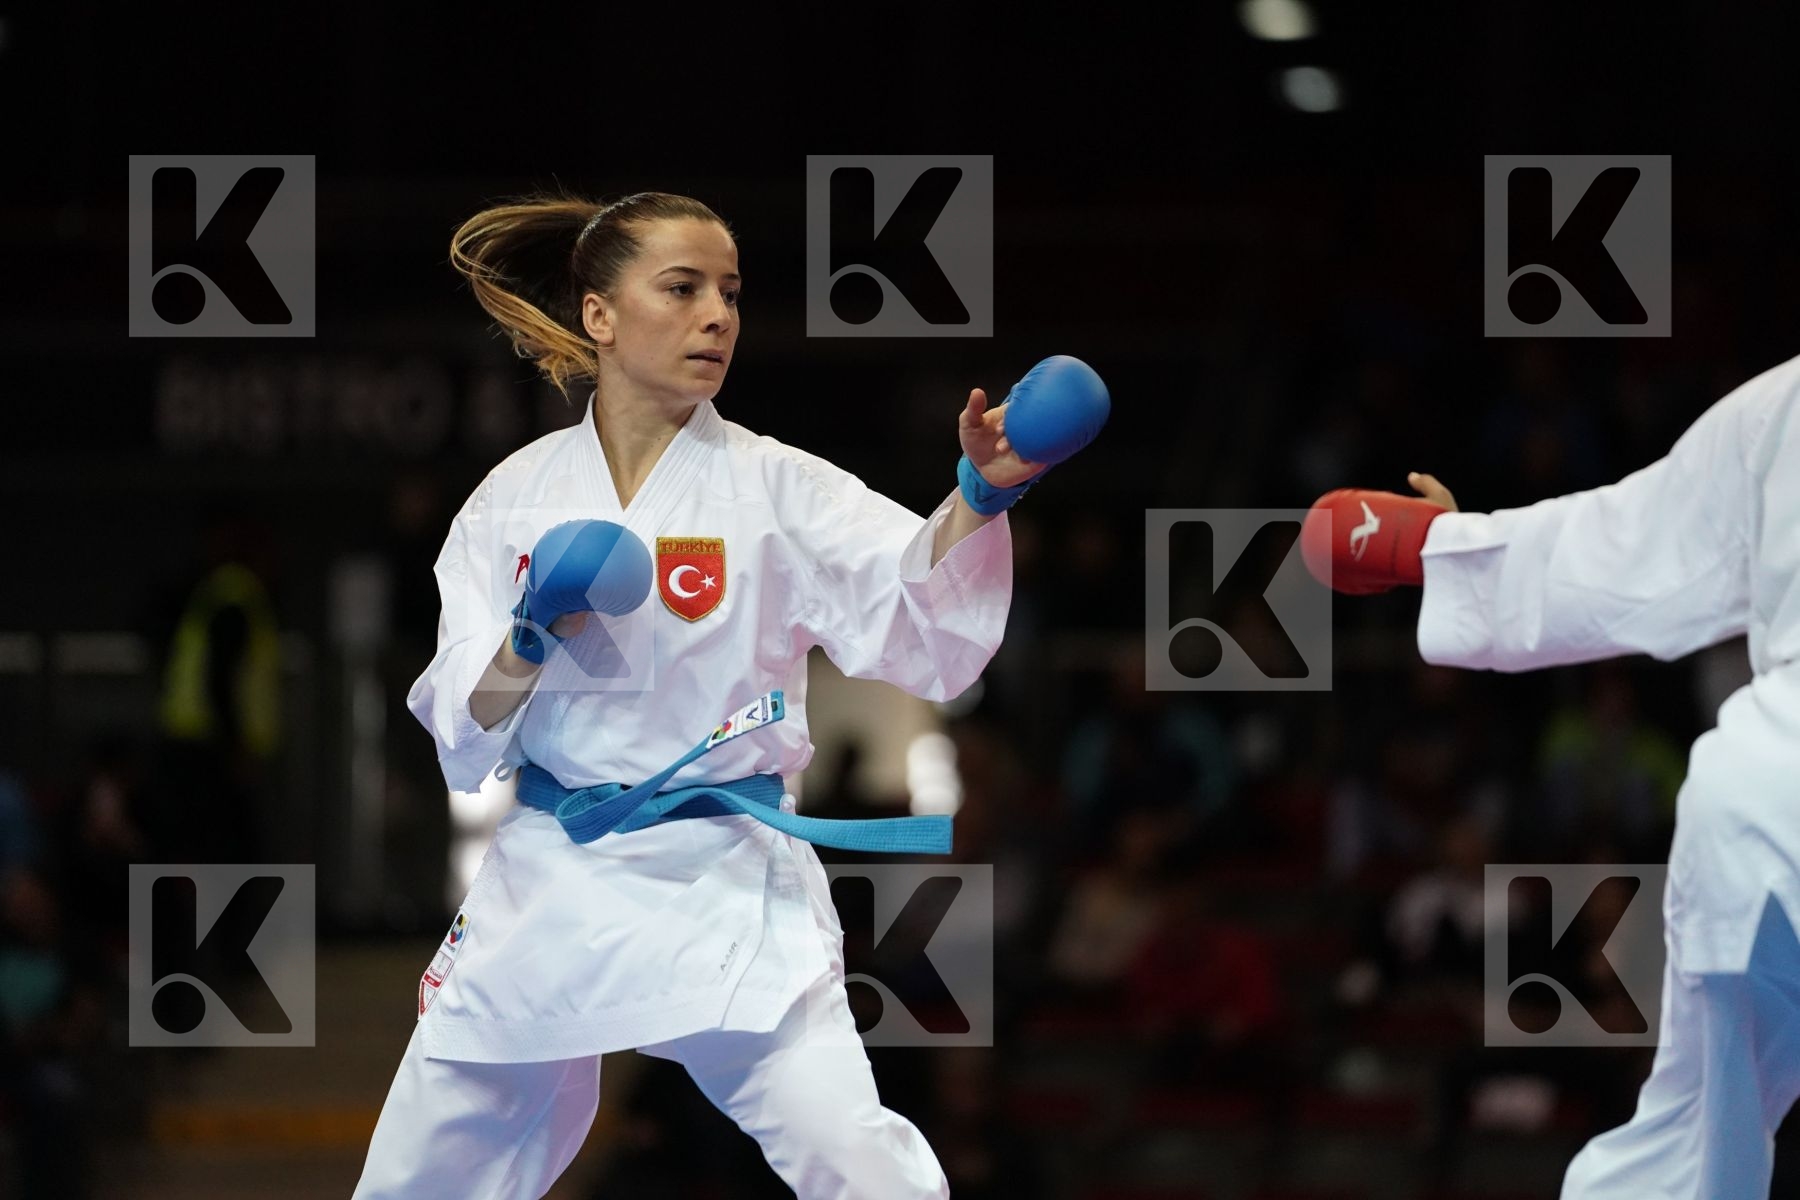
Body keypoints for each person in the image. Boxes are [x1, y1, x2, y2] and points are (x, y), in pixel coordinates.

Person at [352, 191, 1106, 1199]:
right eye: (684, 288)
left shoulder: (777, 487)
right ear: (599, 316)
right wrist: (527, 639)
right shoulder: (513, 502)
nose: (719, 314)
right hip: (552, 882)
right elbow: (459, 734)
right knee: (419, 1179)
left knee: (856, 1164)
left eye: (731, 293)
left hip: (725, 879)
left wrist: (981, 496)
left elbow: (914, 620)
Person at [1301, 354, 1800, 1199]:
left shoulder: (1784, 403)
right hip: (1766, 793)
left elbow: (1637, 544)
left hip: (1767, 798)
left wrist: (1446, 550)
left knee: (1684, 1144)